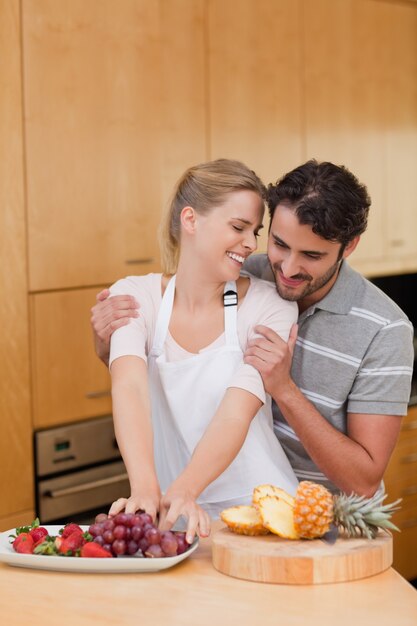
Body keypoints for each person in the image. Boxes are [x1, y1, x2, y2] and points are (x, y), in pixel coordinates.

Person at [92, 159, 414, 501]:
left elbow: (363, 481)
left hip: (334, 524)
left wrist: (285, 390)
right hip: (239, 507)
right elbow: (154, 379)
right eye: (277, 243)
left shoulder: (385, 329)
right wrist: (108, 344)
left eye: (311, 255)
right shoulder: (247, 273)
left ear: (348, 247)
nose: (287, 268)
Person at [102, 158, 299, 543]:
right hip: (174, 518)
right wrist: (144, 488)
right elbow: (129, 386)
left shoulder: (270, 306)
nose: (250, 244)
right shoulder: (135, 296)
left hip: (265, 518)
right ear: (190, 220)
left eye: (255, 232)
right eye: (239, 227)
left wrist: (184, 490)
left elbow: (237, 409)